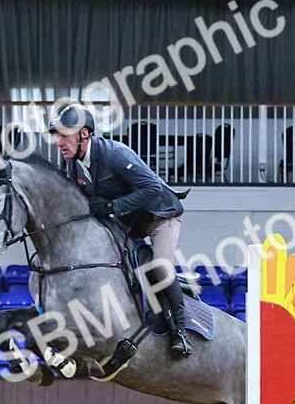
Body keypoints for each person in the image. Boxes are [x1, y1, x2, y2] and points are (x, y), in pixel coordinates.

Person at [49, 104, 191, 359]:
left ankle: (179, 331)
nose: (59, 142)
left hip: (160, 216)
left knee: (159, 265)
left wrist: (113, 206)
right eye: (56, 136)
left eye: (64, 135)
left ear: (84, 134)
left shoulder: (115, 154)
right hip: (128, 224)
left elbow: (152, 188)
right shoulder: (72, 165)